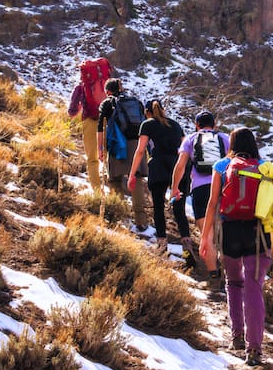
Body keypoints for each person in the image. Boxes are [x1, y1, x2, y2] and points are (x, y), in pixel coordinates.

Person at [199, 127, 273, 367]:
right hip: (258, 233)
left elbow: (212, 203)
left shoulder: (222, 166)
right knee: (254, 287)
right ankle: (254, 350)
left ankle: (236, 335)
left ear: (232, 144)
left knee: (233, 282)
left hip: (230, 232)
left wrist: (205, 237)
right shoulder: (267, 168)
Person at [170, 111, 228, 273]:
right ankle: (229, 274)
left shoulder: (190, 139)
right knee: (224, 234)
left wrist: (175, 188)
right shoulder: (224, 138)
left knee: (206, 235)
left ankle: (213, 273)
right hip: (223, 187)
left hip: (200, 190)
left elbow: (180, 166)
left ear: (197, 125)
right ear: (214, 124)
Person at [126, 99, 184, 254]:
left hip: (158, 166)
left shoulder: (147, 124)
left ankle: (162, 245)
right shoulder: (175, 125)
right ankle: (187, 247)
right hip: (176, 166)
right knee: (179, 210)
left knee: (158, 207)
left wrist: (132, 174)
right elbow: (185, 149)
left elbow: (140, 151)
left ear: (147, 112)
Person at [96, 78, 151, 231]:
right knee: (137, 179)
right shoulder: (136, 102)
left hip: (117, 144)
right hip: (137, 144)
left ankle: (119, 216)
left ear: (107, 91)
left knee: (114, 180)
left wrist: (100, 148)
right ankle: (141, 220)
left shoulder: (107, 103)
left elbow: (100, 128)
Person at [66, 59, 108, 194]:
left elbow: (72, 111)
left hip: (90, 121)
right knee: (109, 157)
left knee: (92, 159)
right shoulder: (107, 84)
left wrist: (79, 107)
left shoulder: (81, 87)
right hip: (107, 122)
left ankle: (97, 192)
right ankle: (115, 190)